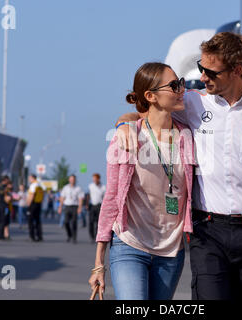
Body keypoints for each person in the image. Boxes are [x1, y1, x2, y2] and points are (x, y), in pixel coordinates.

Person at [116, 32, 242, 300]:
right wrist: (123, 123)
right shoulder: (192, 101)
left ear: (236, 70)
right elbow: (144, 111)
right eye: (201, 68)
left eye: (210, 71)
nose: (202, 77)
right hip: (208, 232)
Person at [88, 62, 195, 300]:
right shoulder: (128, 137)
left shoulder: (188, 138)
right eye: (174, 85)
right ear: (151, 96)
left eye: (182, 84)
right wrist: (98, 262)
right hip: (130, 245)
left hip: (171, 250)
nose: (181, 90)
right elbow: (112, 200)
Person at [58, 175, 84, 244]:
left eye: (73, 179)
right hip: (67, 206)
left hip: (75, 207)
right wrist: (60, 207)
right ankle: (69, 234)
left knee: (74, 222)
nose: (72, 180)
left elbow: (80, 199)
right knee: (66, 222)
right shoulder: (65, 188)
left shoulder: (78, 188)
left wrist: (80, 208)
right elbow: (62, 198)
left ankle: (74, 238)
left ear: (75, 180)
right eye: (71, 179)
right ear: (69, 180)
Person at [87, 173, 106, 241]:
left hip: (99, 206)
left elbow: (105, 198)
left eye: (95, 179)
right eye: (93, 179)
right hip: (92, 205)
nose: (94, 180)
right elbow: (88, 196)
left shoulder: (103, 187)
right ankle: (91, 236)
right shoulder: (91, 186)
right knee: (91, 221)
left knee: (98, 222)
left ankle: (97, 235)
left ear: (98, 179)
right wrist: (86, 204)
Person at [27, 174, 44, 242]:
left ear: (32, 178)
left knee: (30, 221)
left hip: (33, 204)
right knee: (37, 221)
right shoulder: (39, 185)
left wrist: (28, 204)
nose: (29, 180)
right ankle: (39, 236)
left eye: (29, 178)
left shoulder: (33, 185)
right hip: (38, 204)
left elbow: (32, 195)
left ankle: (32, 236)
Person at [0, 176, 11, 240]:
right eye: (7, 180)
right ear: (4, 180)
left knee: (5, 221)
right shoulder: (1, 187)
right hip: (2, 205)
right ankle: (0, 235)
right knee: (2, 221)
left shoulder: (5, 187)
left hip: (5, 205)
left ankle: (4, 234)